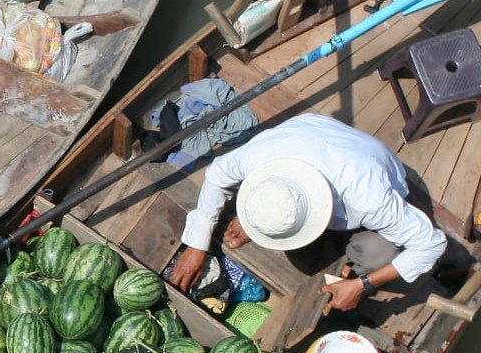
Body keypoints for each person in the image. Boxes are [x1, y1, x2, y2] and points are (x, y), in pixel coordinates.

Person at [167, 113, 455, 313]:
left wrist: (361, 284)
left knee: (376, 254)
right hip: (310, 135)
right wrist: (197, 243)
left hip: (371, 168)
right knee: (302, 256)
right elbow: (217, 175)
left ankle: (348, 265)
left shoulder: (368, 197)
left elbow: (431, 245)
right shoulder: (259, 157)